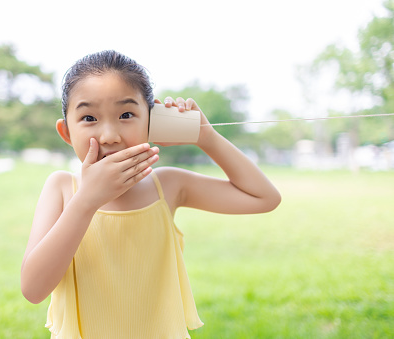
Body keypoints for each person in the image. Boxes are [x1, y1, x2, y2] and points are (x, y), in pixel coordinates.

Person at [21, 50, 281, 339]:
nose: (110, 135)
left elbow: (264, 198)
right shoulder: (61, 188)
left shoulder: (168, 186)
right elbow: (33, 290)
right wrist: (86, 200)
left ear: (152, 122)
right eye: (89, 117)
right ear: (66, 132)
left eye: (127, 114)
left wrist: (205, 137)